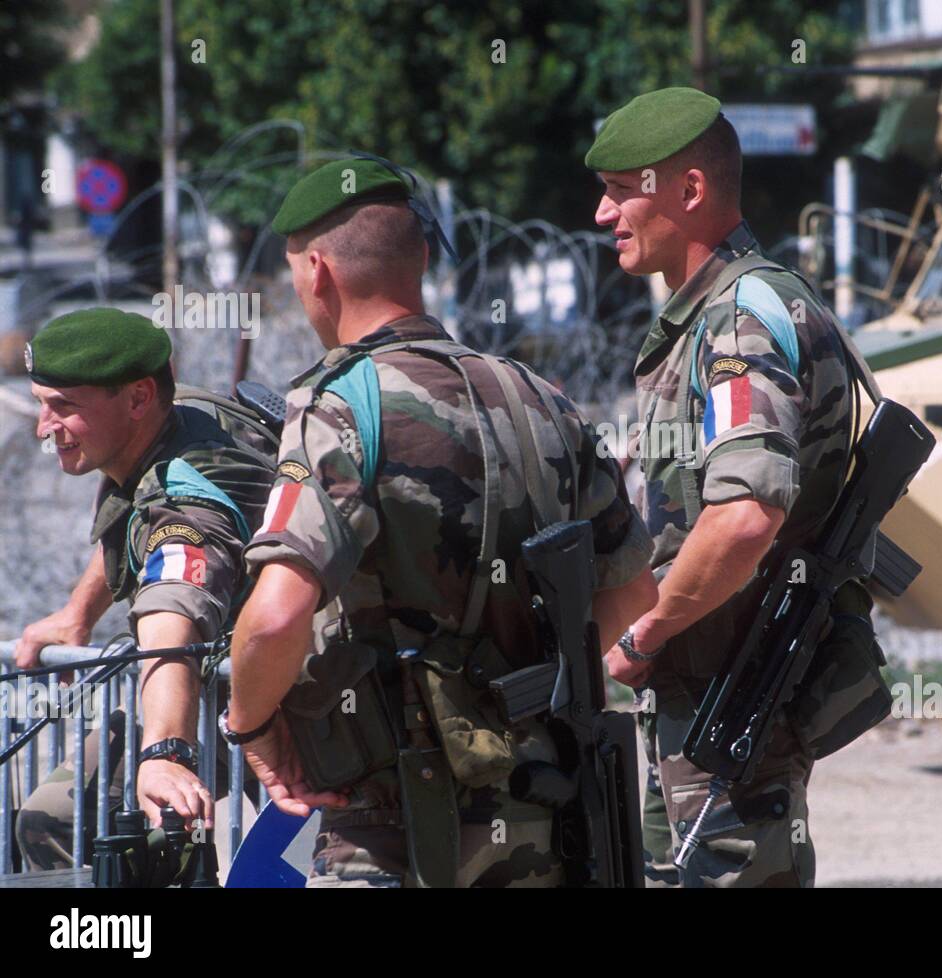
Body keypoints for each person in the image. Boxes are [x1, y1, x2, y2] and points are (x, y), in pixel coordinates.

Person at [225, 157, 656, 887]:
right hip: (536, 815)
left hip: (388, 827)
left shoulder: (336, 411)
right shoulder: (541, 399)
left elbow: (273, 619)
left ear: (317, 273)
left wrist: (252, 726)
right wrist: (506, 695)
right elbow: (633, 592)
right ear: (422, 257)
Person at [587, 87, 869, 887]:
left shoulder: (742, 317)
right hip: (705, 686)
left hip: (732, 687)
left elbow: (747, 515)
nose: (603, 215)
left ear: (689, 192)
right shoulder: (716, 313)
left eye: (619, 191)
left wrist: (646, 634)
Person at [16, 308, 274, 868]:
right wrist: (77, 615)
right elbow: (130, 518)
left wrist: (162, 754)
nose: (43, 427)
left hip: (282, 704)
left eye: (64, 407)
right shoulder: (175, 418)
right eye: (40, 402)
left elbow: (173, 611)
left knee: (94, 823)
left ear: (137, 398)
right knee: (58, 816)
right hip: (233, 688)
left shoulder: (189, 502)